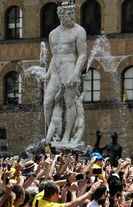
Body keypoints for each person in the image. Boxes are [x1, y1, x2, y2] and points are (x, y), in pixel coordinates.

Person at [43, 1, 87, 144]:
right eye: (69, 13)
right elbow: (54, 57)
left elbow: (82, 55)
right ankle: (53, 133)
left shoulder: (79, 31)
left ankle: (67, 136)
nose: (72, 16)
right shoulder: (52, 34)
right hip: (56, 73)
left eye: (73, 13)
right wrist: (47, 75)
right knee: (47, 102)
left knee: (69, 104)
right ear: (61, 14)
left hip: (70, 72)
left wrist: (75, 73)